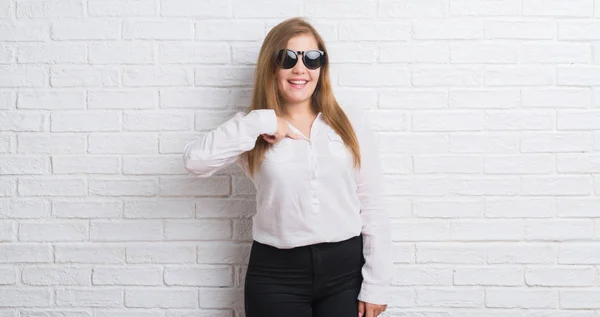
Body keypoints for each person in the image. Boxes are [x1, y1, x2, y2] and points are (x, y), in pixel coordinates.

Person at [183, 17, 391, 317]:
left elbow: (373, 205)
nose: (300, 68)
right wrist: (262, 121)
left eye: (312, 58)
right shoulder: (253, 129)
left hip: (346, 274)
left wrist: (377, 284)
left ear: (322, 66)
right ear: (272, 65)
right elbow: (195, 162)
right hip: (276, 277)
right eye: (287, 58)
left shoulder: (350, 121)